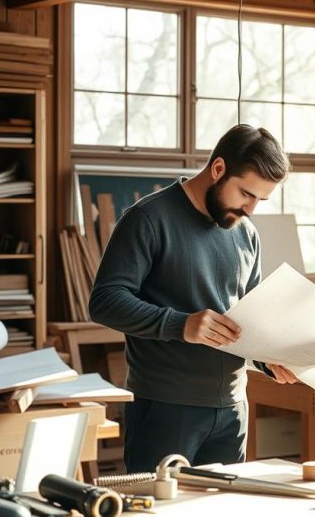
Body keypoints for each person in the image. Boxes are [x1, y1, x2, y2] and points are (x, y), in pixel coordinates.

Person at [90, 124, 298, 473]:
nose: (251, 210)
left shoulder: (246, 233)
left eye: (260, 200)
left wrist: (269, 359)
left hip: (233, 408)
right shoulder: (148, 218)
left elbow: (251, 318)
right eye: (246, 194)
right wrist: (180, 324)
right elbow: (105, 301)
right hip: (165, 407)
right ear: (218, 169)